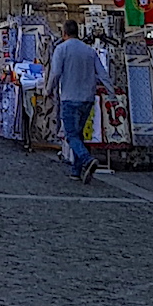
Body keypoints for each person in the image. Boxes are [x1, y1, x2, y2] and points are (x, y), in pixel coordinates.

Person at [47, 18, 101, 183]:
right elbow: (102, 73)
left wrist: (48, 89)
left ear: (64, 33)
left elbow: (55, 73)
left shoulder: (61, 49)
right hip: (87, 98)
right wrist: (111, 91)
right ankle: (76, 172)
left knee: (71, 135)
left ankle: (86, 159)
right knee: (78, 134)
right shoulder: (89, 50)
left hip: (69, 98)